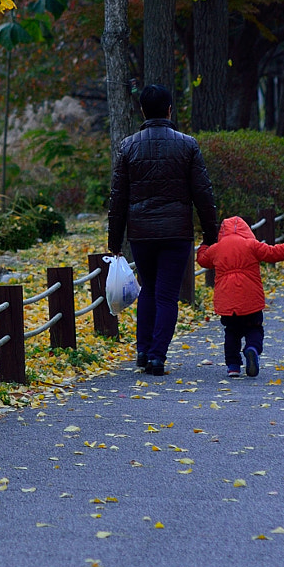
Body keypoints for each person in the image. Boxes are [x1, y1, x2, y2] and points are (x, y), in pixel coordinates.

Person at [107, 83, 219, 376]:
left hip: (141, 233)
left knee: (148, 290)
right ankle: (158, 356)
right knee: (168, 295)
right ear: (170, 109)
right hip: (176, 232)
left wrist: (114, 240)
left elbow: (118, 198)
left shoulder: (128, 145)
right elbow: (203, 194)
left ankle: (143, 351)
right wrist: (211, 234)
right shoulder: (187, 144)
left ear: (142, 110)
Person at [196, 215, 284, 378]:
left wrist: (204, 245)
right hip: (250, 300)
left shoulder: (217, 248)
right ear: (246, 230)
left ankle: (233, 366)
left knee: (231, 332)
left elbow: (203, 261)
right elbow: (275, 253)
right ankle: (252, 349)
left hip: (227, 300)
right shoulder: (251, 245)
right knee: (254, 328)